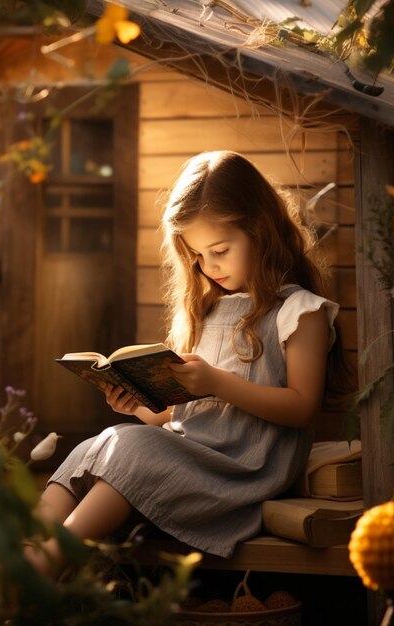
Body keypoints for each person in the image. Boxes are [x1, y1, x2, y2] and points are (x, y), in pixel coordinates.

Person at [26, 150, 343, 578]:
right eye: (197, 256)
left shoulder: (300, 311)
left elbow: (303, 406)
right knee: (99, 443)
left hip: (241, 472)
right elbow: (183, 420)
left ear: (261, 230)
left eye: (220, 250)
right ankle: (24, 555)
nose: (210, 267)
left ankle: (44, 567)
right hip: (189, 458)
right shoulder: (208, 310)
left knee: (130, 447)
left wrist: (217, 381)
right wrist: (137, 404)